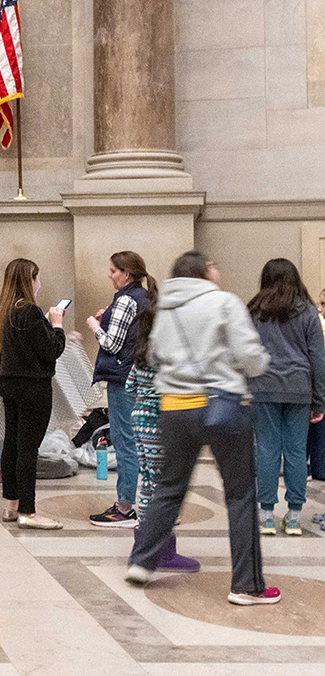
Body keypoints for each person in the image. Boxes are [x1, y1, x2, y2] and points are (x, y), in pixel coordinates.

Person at [125, 252, 278, 605]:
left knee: (168, 487)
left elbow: (157, 354)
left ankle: (142, 562)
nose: (218, 271)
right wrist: (256, 365)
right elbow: (249, 356)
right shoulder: (224, 302)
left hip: (175, 409)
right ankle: (246, 586)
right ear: (204, 272)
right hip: (223, 406)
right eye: (214, 266)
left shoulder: (165, 310)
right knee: (240, 495)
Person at [247, 258, 325, 536]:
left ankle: (266, 516)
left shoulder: (254, 310)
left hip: (263, 387)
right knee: (295, 452)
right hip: (300, 388)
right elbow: (318, 358)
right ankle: (293, 518)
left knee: (266, 450)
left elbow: (246, 353)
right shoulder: (307, 312)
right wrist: (319, 400)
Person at [0, 258, 66, 529]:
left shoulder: (4, 312)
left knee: (11, 444)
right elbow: (51, 350)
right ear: (28, 280)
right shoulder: (30, 312)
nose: (40, 283)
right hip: (33, 386)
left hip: (8, 383)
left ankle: (11, 504)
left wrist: (44, 324)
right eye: (37, 278)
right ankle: (28, 512)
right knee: (28, 449)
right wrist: (57, 325)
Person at [85, 251, 156, 527]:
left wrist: (94, 325)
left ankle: (125, 507)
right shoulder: (144, 297)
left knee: (126, 442)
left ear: (126, 274)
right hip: (139, 376)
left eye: (114, 270)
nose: (110, 275)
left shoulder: (126, 299)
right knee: (141, 443)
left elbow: (112, 344)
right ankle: (151, 505)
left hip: (122, 379)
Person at [127, 304, 199, 572]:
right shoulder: (166, 356)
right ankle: (163, 551)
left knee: (147, 481)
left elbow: (129, 386)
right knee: (163, 487)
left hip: (138, 418)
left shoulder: (141, 354)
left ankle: (141, 543)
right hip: (159, 422)